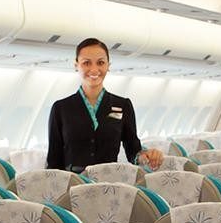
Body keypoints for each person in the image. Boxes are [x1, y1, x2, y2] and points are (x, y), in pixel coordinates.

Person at [47, 38, 164, 173]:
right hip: (73, 182)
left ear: (108, 65)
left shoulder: (123, 105)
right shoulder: (61, 108)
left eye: (100, 63)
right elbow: (54, 160)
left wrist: (146, 156)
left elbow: (133, 151)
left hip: (110, 181)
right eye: (86, 63)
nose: (94, 69)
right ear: (76, 65)